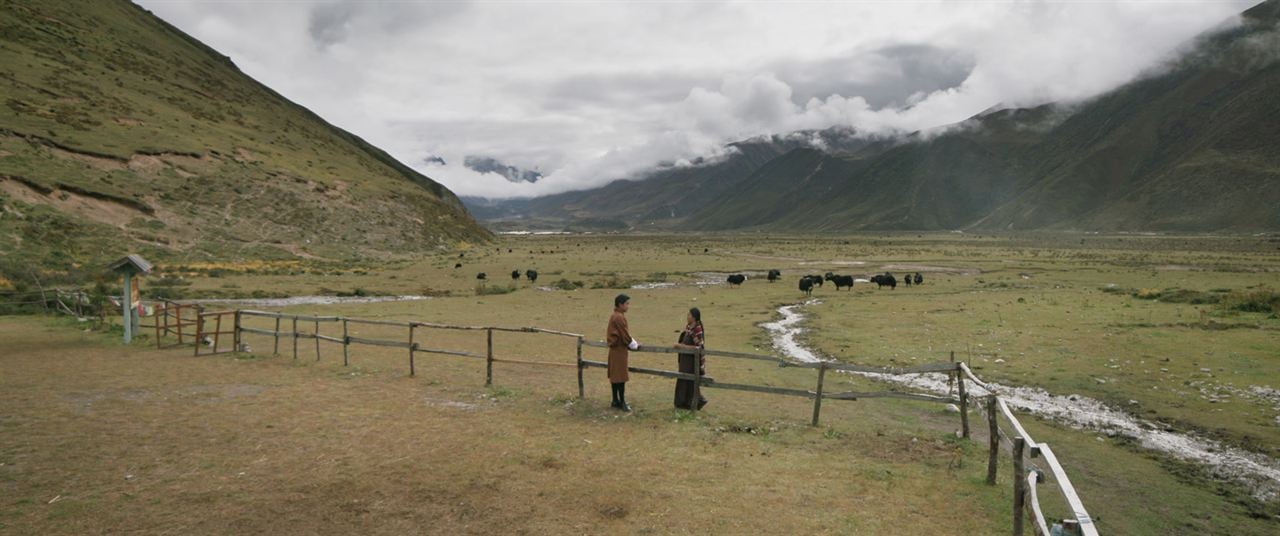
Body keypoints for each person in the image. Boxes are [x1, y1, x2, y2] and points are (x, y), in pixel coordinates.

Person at [606, 294, 639, 411]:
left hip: (615, 350)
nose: (628, 306)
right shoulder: (619, 317)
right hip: (619, 350)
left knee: (615, 376)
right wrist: (632, 343)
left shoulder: (614, 316)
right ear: (620, 305)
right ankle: (622, 402)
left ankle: (615, 400)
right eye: (627, 304)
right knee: (620, 376)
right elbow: (624, 334)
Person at [674, 307, 707, 410]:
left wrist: (683, 347)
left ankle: (695, 402)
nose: (687, 317)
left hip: (692, 361)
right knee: (683, 380)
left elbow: (699, 347)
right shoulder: (688, 328)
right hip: (684, 360)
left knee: (690, 381)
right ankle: (682, 403)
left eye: (689, 315)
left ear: (694, 317)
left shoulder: (697, 329)